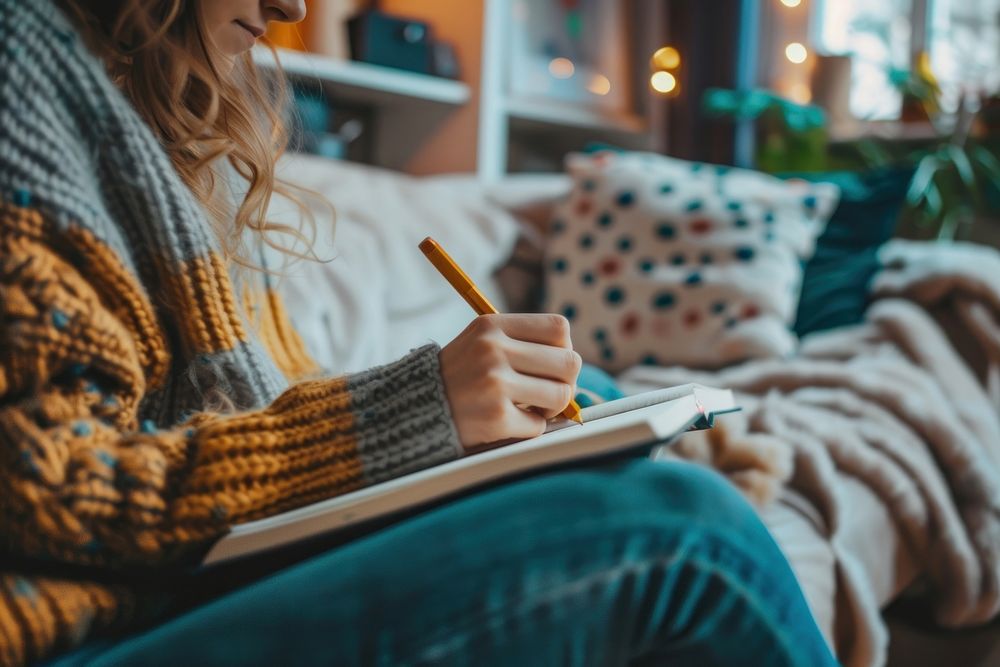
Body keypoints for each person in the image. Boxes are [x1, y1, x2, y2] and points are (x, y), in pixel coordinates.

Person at [0, 1, 838, 665]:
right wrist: (419, 408)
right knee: (687, 532)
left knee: (598, 408)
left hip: (188, 583)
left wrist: (446, 429)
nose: (289, 7)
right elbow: (53, 481)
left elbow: (274, 401)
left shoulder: (159, 131)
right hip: (81, 633)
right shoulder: (21, 69)